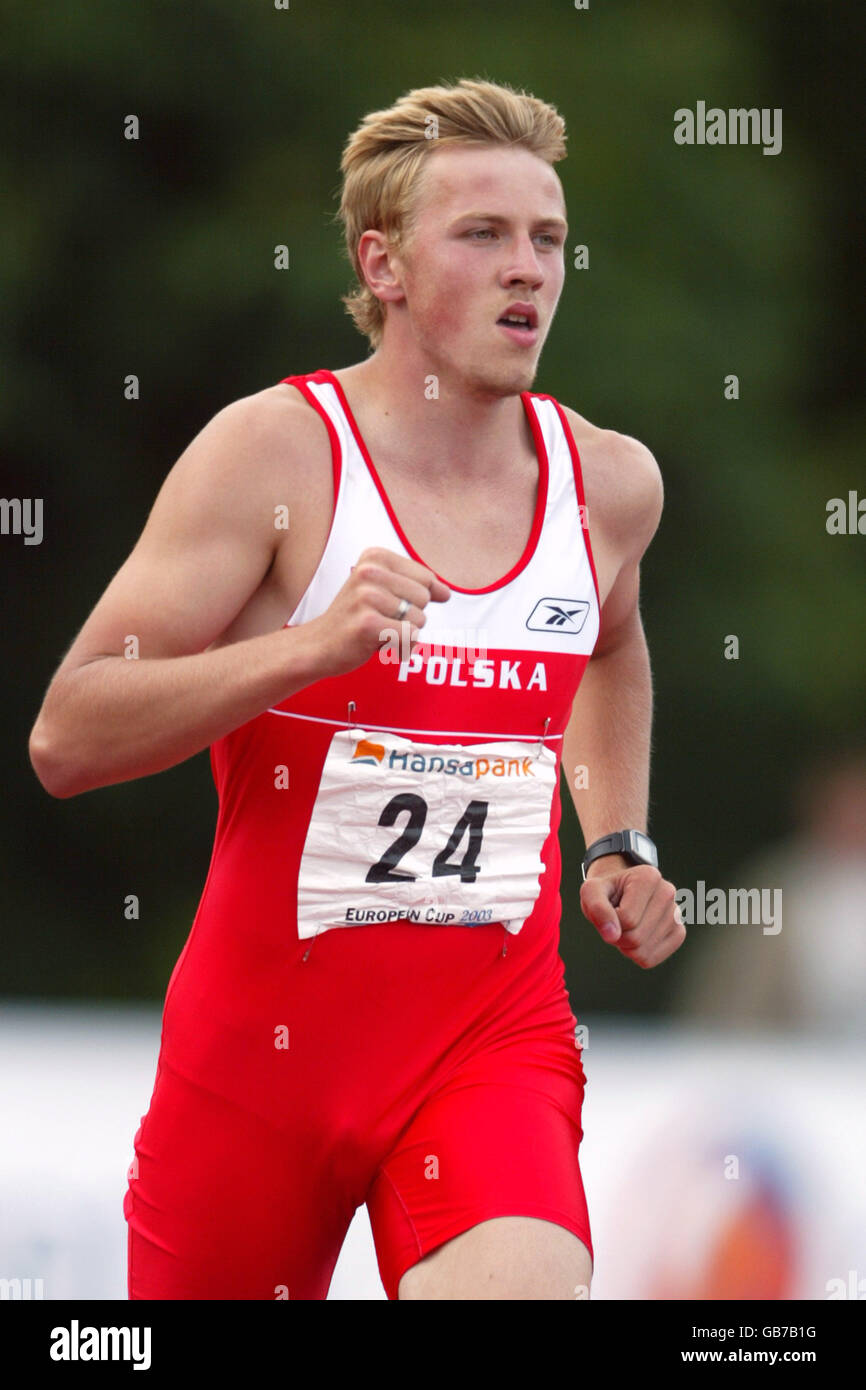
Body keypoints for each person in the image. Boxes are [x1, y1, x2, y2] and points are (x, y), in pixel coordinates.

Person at [28, 77, 684, 1301]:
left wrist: (618, 842)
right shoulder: (272, 456)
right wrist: (300, 650)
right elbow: (68, 735)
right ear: (381, 264)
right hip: (257, 1066)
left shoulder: (606, 483)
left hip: (490, 1043)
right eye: (480, 235)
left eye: (545, 238)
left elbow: (608, 645)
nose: (525, 270)